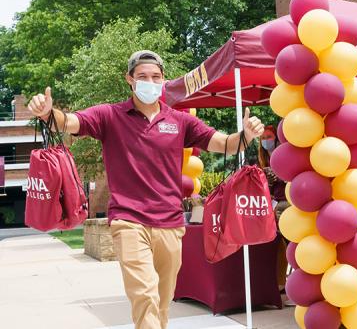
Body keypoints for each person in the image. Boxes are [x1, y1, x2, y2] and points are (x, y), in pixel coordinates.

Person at [27, 50, 265, 329]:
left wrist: (245, 136)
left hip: (170, 224)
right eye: (142, 76)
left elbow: (222, 142)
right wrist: (48, 114)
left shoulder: (180, 121)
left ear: (163, 79)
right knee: (144, 295)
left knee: (161, 303)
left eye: (155, 76)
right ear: (129, 79)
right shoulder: (110, 115)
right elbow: (70, 122)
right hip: (129, 221)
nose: (149, 81)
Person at [257, 125, 291, 299]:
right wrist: (267, 180)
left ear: (276, 139)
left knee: (289, 243)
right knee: (277, 246)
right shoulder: (263, 159)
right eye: (262, 138)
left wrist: (279, 175)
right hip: (272, 205)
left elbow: (293, 176)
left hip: (287, 204)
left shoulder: (284, 156)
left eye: (268, 137)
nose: (265, 141)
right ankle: (279, 284)